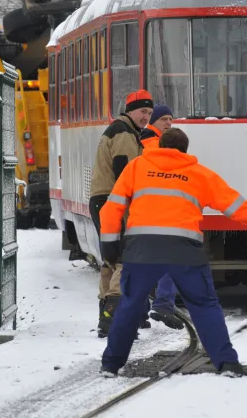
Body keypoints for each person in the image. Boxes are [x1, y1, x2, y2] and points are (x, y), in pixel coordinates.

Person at [97, 128, 247, 377]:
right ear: (185, 151)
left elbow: (111, 209)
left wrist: (110, 245)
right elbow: (235, 205)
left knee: (131, 304)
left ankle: (111, 365)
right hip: (185, 251)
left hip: (142, 250)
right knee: (204, 305)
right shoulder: (199, 174)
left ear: (159, 145)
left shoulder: (136, 167)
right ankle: (227, 363)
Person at [90, 89, 153, 338]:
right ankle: (115, 316)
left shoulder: (118, 129)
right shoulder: (125, 133)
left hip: (101, 199)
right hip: (114, 201)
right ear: (130, 110)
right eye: (142, 111)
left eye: (149, 112)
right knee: (124, 259)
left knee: (110, 257)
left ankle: (105, 318)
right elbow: (124, 171)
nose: (146, 117)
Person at [139, 105, 184, 330]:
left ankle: (153, 306)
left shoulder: (149, 140)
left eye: (171, 119)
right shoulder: (151, 142)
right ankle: (163, 303)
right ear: (153, 121)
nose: (168, 123)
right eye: (164, 119)